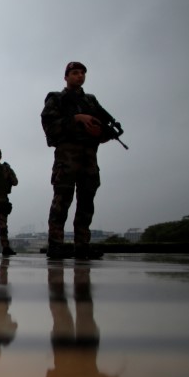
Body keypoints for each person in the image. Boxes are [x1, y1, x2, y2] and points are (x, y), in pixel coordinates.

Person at [41, 62, 118, 260]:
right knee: (61, 202)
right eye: (75, 73)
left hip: (89, 156)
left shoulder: (91, 101)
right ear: (66, 77)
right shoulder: (56, 99)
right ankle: (55, 244)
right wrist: (76, 119)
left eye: (82, 73)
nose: (80, 76)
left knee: (86, 202)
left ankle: (82, 244)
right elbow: (50, 128)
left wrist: (101, 132)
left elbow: (104, 128)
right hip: (67, 156)